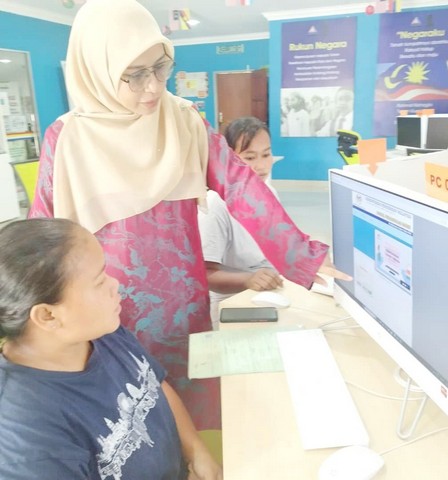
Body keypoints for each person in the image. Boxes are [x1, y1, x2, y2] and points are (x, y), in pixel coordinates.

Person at [29, 0, 351, 431]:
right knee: (127, 417)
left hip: (180, 301)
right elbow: (41, 235)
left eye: (160, 68)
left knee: (193, 406)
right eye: (134, 74)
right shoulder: (67, 137)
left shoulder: (182, 120)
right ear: (97, 70)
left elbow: (239, 185)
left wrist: (301, 254)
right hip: (107, 306)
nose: (153, 87)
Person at [0, 218, 222, 480]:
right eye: (99, 281)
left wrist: (196, 452)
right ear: (48, 316)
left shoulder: (102, 333)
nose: (114, 283)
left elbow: (153, 384)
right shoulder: (27, 436)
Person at [198, 117, 283, 328]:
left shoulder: (269, 192)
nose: (261, 166)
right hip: (231, 304)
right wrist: (248, 279)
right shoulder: (216, 205)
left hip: (267, 293)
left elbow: (278, 245)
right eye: (250, 157)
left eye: (266, 155)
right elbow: (205, 274)